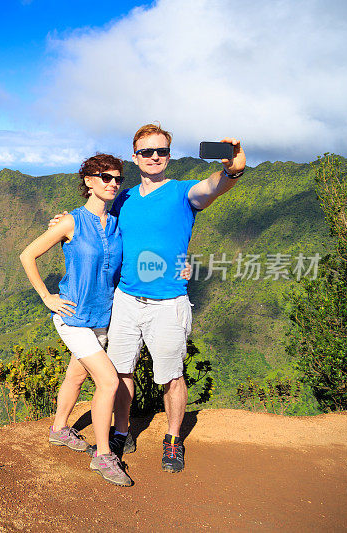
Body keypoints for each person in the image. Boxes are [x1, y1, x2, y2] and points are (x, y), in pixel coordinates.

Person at [50, 123, 245, 473]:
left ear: (169, 156)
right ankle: (122, 431)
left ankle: (172, 440)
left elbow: (214, 186)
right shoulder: (121, 198)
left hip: (168, 302)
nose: (154, 157)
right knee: (121, 370)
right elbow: (93, 221)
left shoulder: (183, 193)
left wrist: (234, 169)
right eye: (146, 152)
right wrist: (63, 221)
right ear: (136, 156)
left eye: (161, 151)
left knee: (171, 374)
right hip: (124, 299)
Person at [20, 153, 133, 487]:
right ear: (88, 181)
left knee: (77, 374)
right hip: (72, 317)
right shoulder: (71, 222)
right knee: (109, 382)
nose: (112, 183)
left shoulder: (117, 221)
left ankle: (59, 429)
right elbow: (28, 255)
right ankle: (102, 456)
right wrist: (47, 297)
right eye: (104, 177)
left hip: (103, 317)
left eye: (117, 179)